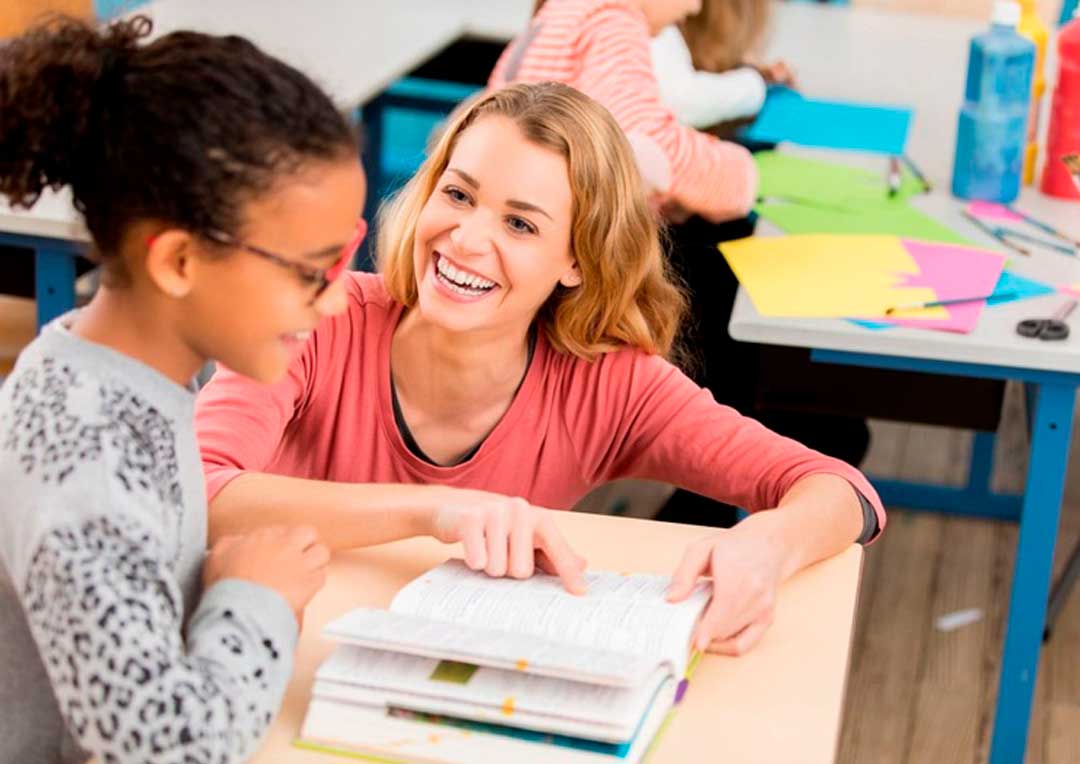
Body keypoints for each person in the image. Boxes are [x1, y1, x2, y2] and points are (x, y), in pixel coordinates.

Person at [195, 82, 885, 658]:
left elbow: (842, 491)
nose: (465, 239)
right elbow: (194, 491)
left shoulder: (607, 385)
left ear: (576, 260)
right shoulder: (321, 317)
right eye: (458, 195)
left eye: (520, 225)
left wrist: (768, 546)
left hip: (444, 670)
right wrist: (433, 511)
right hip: (264, 653)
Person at [0, 15, 365, 763]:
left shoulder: (117, 377)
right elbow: (167, 753)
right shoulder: (84, 466)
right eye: (312, 270)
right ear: (178, 263)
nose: (334, 300)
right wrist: (255, 598)